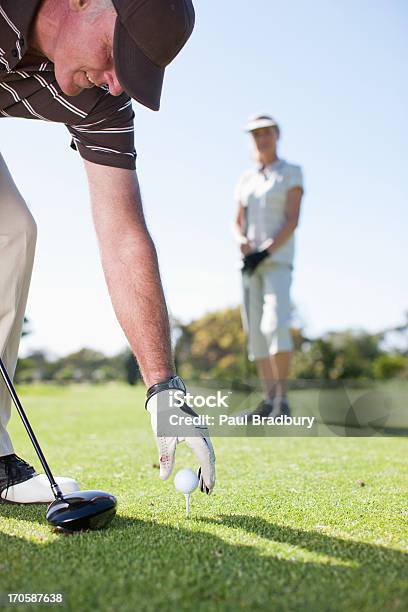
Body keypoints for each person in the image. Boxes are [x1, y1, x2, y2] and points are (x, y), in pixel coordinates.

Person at [0, 0, 215, 503]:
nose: (117, 83)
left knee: (11, 230)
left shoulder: (101, 102)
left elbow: (124, 235)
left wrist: (163, 385)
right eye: (117, 54)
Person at [234, 114, 304, 419]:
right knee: (256, 333)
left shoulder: (291, 173)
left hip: (277, 262)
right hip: (249, 266)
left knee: (275, 325)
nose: (261, 138)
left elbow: (292, 219)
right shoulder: (246, 179)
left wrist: (265, 251)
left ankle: (282, 402)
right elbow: (237, 221)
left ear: (277, 135)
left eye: (266, 133)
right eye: (255, 134)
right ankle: (268, 401)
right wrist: (242, 243)